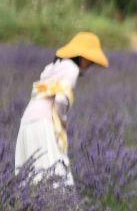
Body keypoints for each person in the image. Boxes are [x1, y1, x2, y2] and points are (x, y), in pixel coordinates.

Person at [14, 32, 109, 187]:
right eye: (90, 61)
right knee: (54, 176)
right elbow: (60, 98)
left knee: (31, 177)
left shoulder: (52, 67)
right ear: (82, 56)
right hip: (44, 123)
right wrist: (62, 121)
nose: (90, 65)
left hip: (28, 121)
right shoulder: (71, 69)